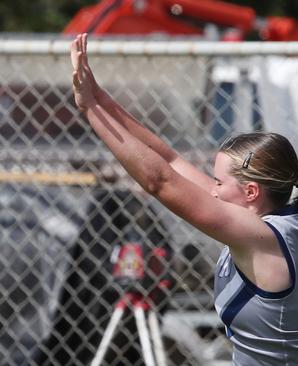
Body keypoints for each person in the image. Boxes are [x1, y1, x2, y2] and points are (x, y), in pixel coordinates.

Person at [70, 33, 298, 365]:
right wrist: (100, 99)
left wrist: (90, 112)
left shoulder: (262, 238)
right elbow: (171, 161)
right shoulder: (269, 218)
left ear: (251, 192)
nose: (213, 189)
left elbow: (159, 181)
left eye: (219, 182)